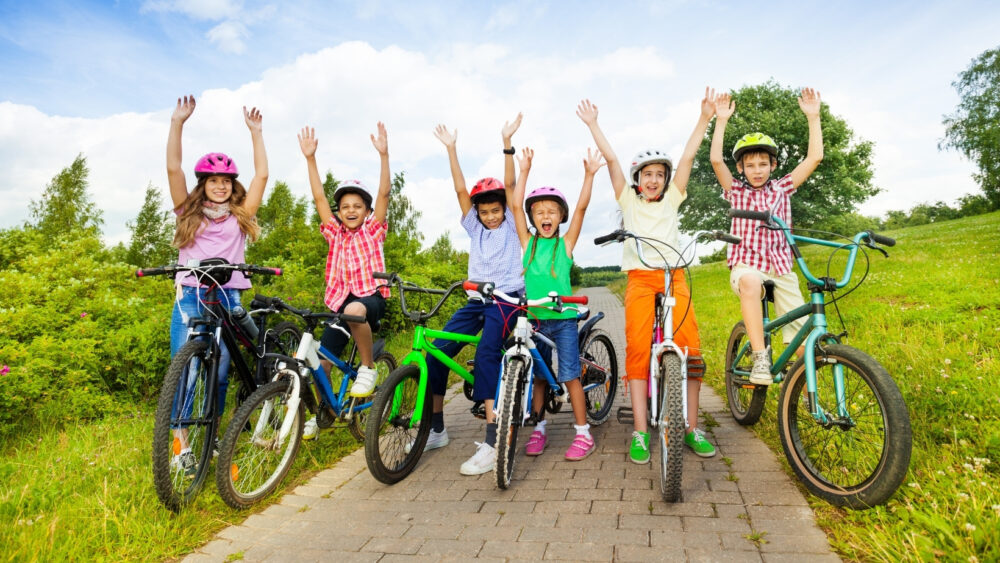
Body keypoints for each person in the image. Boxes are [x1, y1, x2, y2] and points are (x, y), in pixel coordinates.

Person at [578, 90, 717, 463]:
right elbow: (610, 159)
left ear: (666, 180)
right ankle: (640, 430)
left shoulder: (673, 198)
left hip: (674, 276)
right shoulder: (628, 199)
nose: (653, 180)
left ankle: (690, 427)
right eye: (647, 175)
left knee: (691, 350)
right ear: (637, 180)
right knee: (639, 348)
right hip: (640, 278)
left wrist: (704, 119)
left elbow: (688, 156)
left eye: (659, 175)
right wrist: (593, 124)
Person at [418, 115, 527, 476]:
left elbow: (510, 185)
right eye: (485, 212)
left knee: (485, 355)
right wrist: (451, 149)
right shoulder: (474, 227)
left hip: (508, 299)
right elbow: (460, 190)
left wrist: (507, 145)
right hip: (475, 299)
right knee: (435, 353)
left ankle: (493, 440)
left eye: (495, 210)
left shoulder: (511, 221)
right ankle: (436, 429)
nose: (491, 216)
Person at [166, 95, 269, 474]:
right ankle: (180, 444)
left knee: (221, 370)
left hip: (229, 295)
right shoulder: (188, 212)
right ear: (203, 185)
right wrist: (178, 123)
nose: (221, 187)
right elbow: (174, 168)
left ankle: (210, 435)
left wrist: (256, 133)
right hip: (191, 295)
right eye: (214, 181)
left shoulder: (241, 217)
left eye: (226, 181)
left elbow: (262, 176)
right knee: (188, 368)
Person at [709, 88, 823, 385]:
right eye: (750, 165)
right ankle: (760, 358)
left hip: (782, 267)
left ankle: (804, 395)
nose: (757, 170)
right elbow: (716, 162)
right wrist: (721, 121)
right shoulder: (737, 191)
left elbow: (814, 158)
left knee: (802, 345)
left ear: (773, 166)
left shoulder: (782, 188)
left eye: (763, 164)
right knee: (750, 283)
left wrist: (813, 117)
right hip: (747, 265)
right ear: (741, 168)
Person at [297, 123, 393, 439]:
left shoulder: (372, 230)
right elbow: (318, 196)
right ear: (338, 212)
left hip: (370, 299)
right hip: (341, 303)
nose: (350, 210)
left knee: (355, 310)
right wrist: (311, 159)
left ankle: (368, 367)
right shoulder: (334, 233)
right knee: (321, 363)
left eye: (357, 206)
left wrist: (383, 154)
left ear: (366, 211)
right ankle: (322, 413)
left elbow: (384, 193)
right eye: (345, 207)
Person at [511, 146, 605, 461]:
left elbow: (581, 209)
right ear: (532, 218)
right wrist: (523, 170)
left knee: (568, 375)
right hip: (535, 320)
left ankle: (583, 433)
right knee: (539, 375)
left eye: (552, 211)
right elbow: (514, 205)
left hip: (562, 319)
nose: (546, 216)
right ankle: (539, 429)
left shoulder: (565, 245)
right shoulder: (528, 242)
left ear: (560, 216)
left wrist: (589, 175)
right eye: (539, 212)